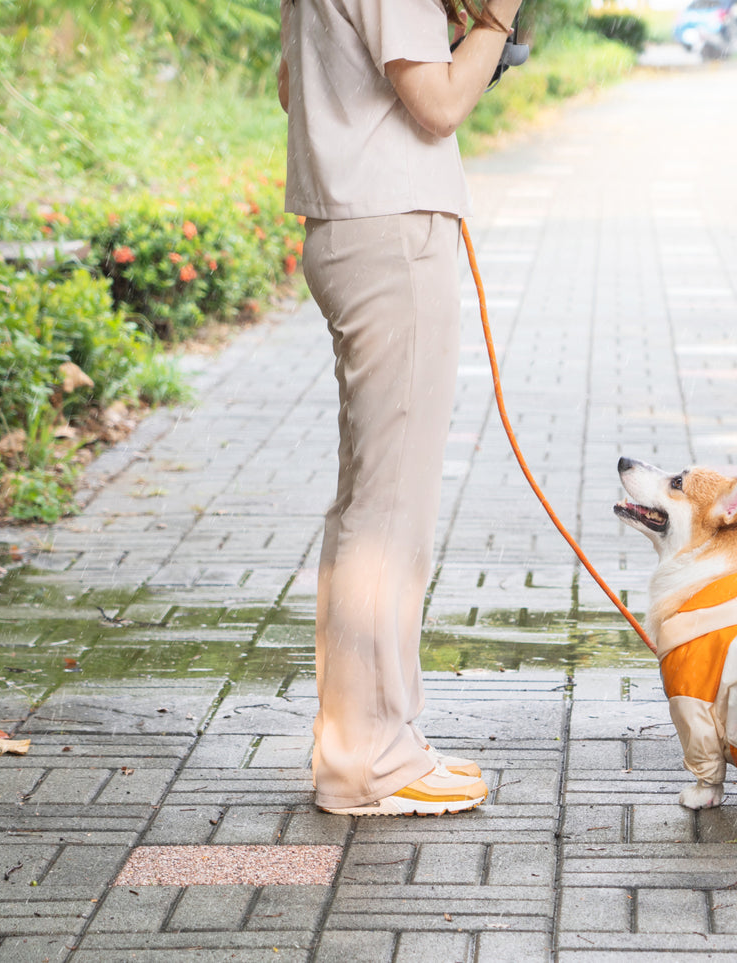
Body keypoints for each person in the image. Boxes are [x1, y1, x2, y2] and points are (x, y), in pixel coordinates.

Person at [277, 0, 523, 816]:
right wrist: (496, 19)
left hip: (347, 230)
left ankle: (354, 742)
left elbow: (294, 87)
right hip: (390, 237)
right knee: (390, 510)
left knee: (365, 504)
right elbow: (441, 103)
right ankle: (370, 760)